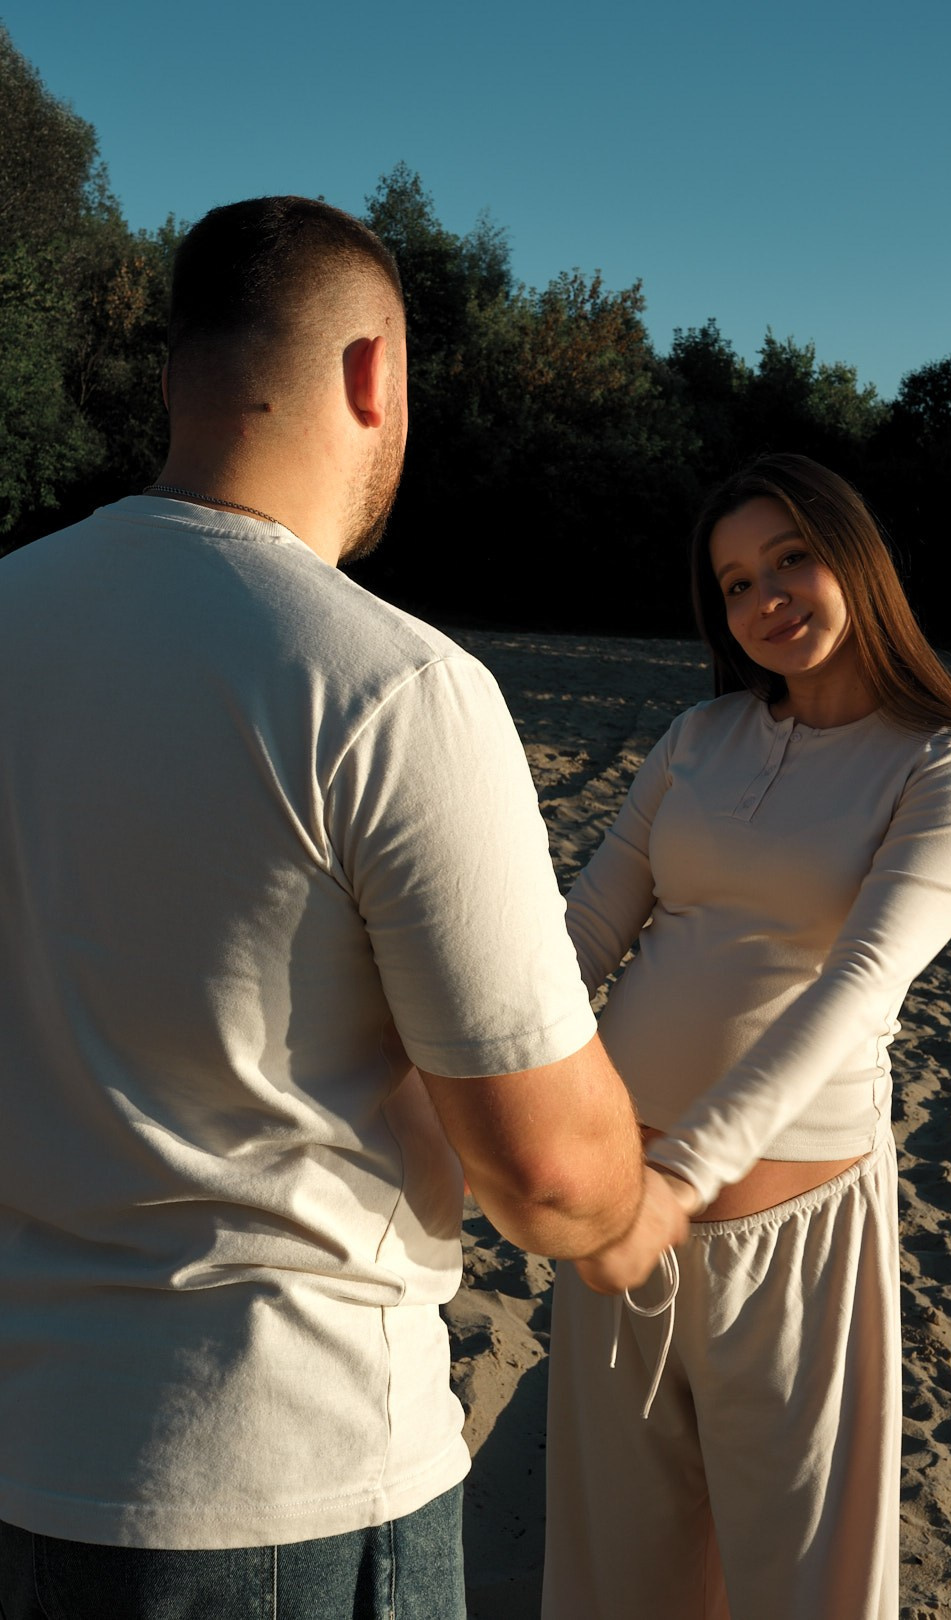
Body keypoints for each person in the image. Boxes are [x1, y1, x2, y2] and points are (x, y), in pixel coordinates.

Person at [0, 196, 689, 1620]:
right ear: (375, 373)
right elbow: (548, 1175)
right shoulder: (389, 685)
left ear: (174, 377)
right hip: (278, 1476)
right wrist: (632, 1210)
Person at [542, 453, 951, 1620]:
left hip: (789, 1236)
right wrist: (476, 1072)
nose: (767, 598)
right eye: (738, 582)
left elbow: (859, 985)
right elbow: (587, 929)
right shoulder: (698, 736)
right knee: (621, 1573)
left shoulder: (944, 767)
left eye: (791, 558)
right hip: (618, 1218)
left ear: (856, 557)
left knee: (802, 1583)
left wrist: (683, 1178)